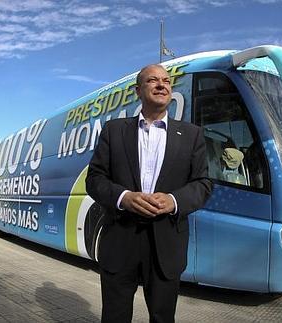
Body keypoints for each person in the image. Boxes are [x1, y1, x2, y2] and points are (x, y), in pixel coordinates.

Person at [86, 64, 212, 323]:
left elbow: (203, 184)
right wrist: (124, 198)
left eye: (166, 80)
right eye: (152, 80)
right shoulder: (114, 130)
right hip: (120, 240)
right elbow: (95, 179)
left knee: (163, 318)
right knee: (115, 317)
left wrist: (173, 201)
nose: (161, 85)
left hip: (166, 243)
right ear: (138, 91)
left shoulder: (191, 135)